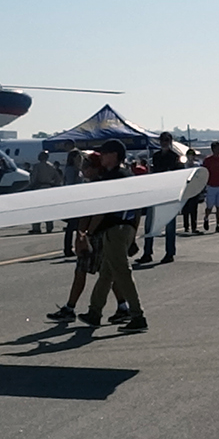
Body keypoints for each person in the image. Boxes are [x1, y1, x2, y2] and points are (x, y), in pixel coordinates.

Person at [76, 139, 147, 330]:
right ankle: (94, 312)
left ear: (114, 155)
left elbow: (102, 210)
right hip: (125, 228)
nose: (103, 157)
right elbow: (138, 208)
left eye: (105, 153)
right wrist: (133, 233)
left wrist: (88, 233)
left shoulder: (112, 177)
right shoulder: (127, 175)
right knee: (106, 273)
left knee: (122, 273)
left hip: (115, 229)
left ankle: (137, 316)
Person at [48, 154, 123, 321]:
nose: (84, 169)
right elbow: (85, 214)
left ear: (96, 168)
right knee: (106, 272)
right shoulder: (90, 185)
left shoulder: (97, 186)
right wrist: (80, 234)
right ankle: (122, 305)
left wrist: (86, 234)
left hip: (97, 234)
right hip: (94, 233)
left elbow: (97, 213)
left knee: (88, 271)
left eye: (88, 165)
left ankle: (70, 308)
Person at [143, 134, 183, 264]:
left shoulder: (175, 157)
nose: (164, 143)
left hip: (170, 194)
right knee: (149, 224)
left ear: (170, 142)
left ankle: (170, 253)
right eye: (162, 140)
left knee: (170, 226)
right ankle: (147, 252)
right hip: (157, 193)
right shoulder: (156, 156)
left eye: (166, 140)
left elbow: (179, 176)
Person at [27, 151, 63, 234]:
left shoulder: (37, 166)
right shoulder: (51, 166)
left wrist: (31, 186)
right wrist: (54, 185)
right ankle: (49, 226)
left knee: (37, 209)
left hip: (39, 188)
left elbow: (33, 178)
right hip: (49, 188)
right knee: (48, 209)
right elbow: (58, 179)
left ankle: (36, 227)